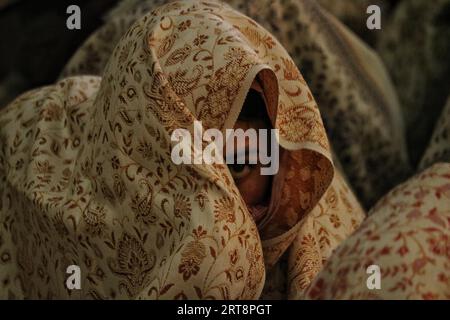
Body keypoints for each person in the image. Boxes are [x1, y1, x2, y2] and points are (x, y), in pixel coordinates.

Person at [0, 0, 365, 299]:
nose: (217, 207)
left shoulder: (319, 227)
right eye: (182, 170)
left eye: (238, 166)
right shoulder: (35, 153)